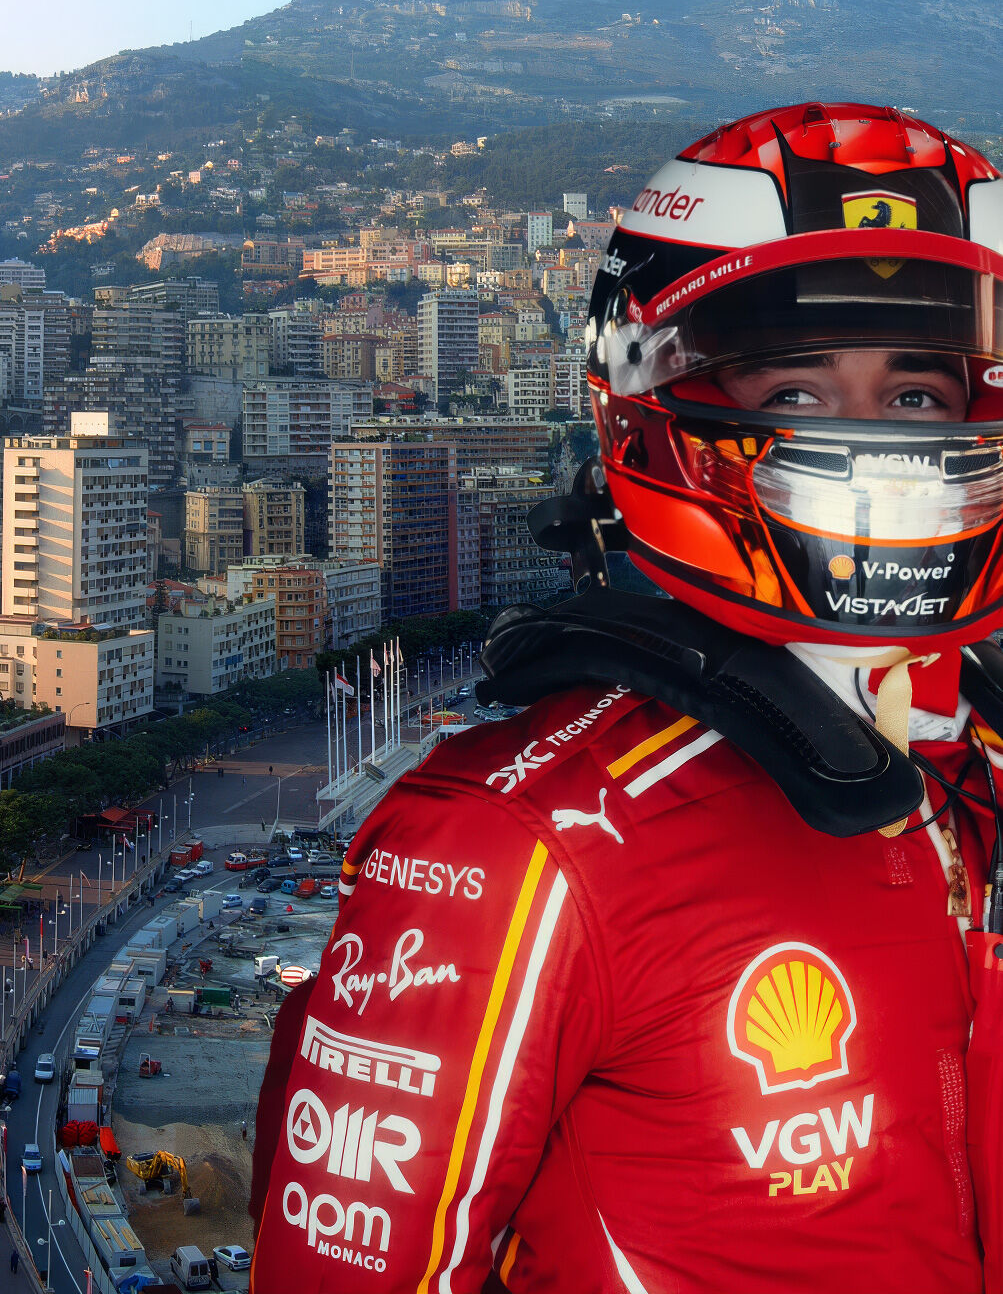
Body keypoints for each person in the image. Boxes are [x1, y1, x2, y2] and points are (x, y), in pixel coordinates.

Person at [249, 103, 1003, 1293]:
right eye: (797, 395)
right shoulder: (517, 843)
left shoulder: (974, 760)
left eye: (916, 397)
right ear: (653, 413)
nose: (878, 450)